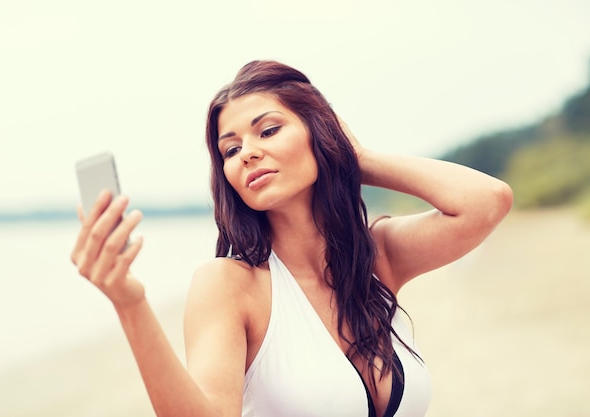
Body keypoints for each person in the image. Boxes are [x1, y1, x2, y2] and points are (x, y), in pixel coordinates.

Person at [71, 60, 514, 417]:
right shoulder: (230, 285)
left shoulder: (378, 256)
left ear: (318, 133)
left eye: (267, 130)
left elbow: (486, 201)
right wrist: (130, 304)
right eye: (230, 149)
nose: (247, 152)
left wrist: (356, 157)